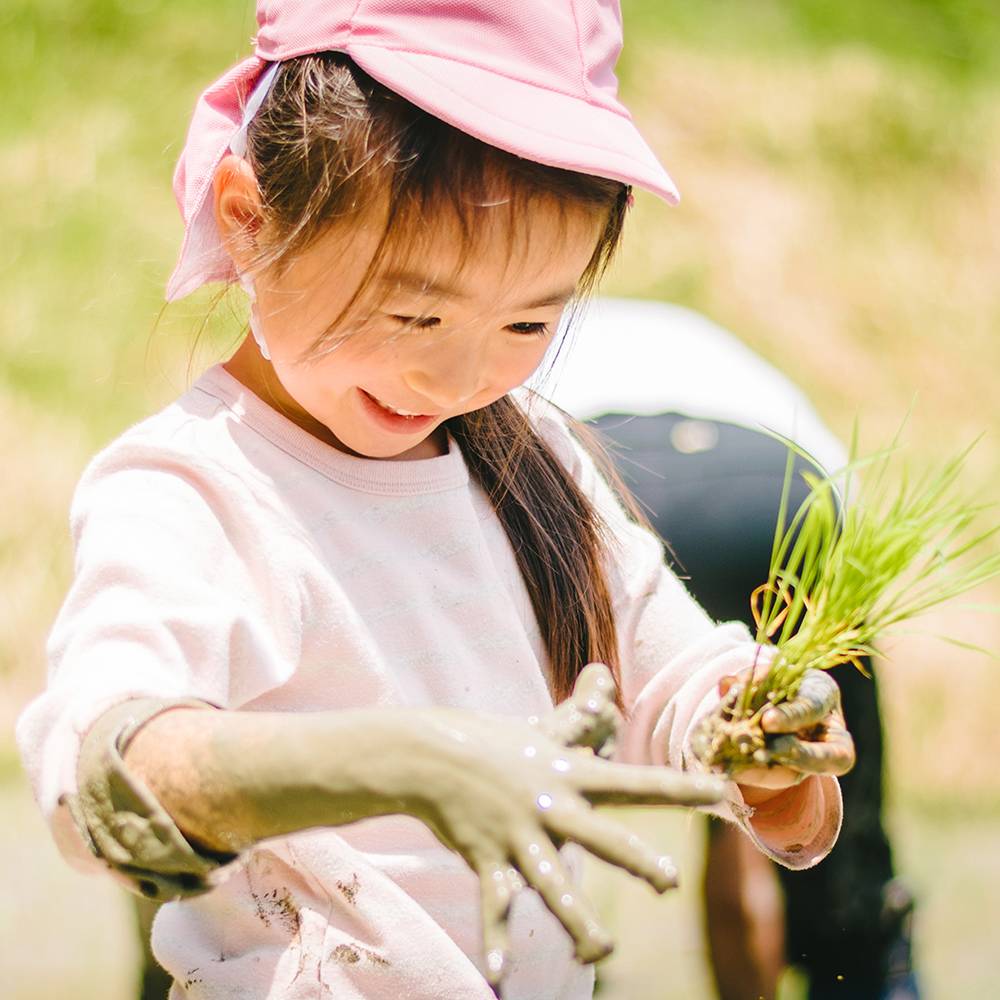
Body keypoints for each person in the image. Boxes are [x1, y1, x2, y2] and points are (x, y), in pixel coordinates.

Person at [15, 4, 856, 999]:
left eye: (526, 319)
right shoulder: (192, 489)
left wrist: (757, 735)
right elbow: (102, 777)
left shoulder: (528, 460)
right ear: (250, 218)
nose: (456, 375)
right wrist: (397, 758)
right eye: (414, 308)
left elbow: (666, 671)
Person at [545, 298, 920, 1000]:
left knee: (543, 784)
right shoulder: (707, 342)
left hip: (610, 482)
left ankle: (562, 965)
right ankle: (862, 965)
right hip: (788, 494)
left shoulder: (524, 336)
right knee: (763, 770)